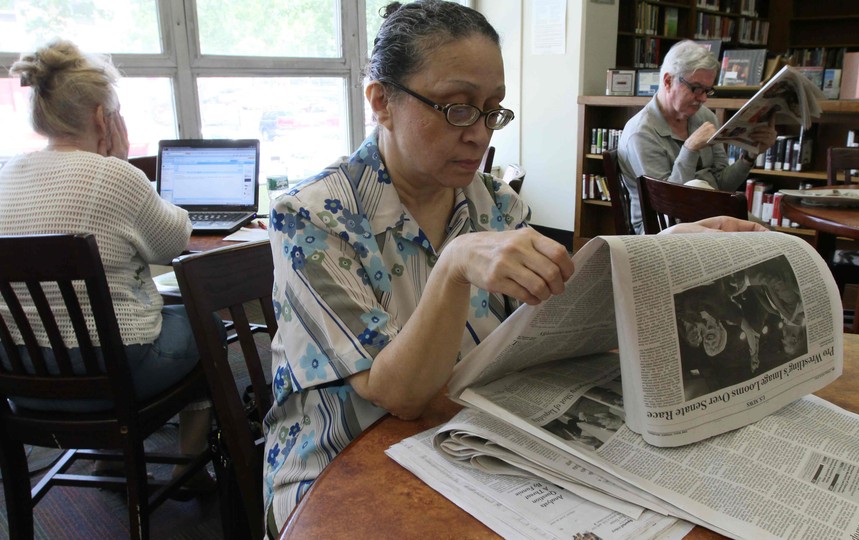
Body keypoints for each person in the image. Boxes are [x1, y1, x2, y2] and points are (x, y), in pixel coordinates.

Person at [262, 1, 767, 534]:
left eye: (492, 109)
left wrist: (664, 251)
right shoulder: (311, 216)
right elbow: (398, 396)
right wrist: (454, 265)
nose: (480, 135)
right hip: (339, 467)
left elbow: (557, 322)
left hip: (464, 435)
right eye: (457, 107)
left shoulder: (495, 205)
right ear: (381, 101)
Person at [0, 39, 215, 491]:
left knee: (123, 315)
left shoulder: (3, 176)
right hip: (112, 375)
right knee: (205, 322)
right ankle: (189, 464)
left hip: (17, 380)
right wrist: (117, 163)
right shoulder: (115, 176)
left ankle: (107, 456)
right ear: (103, 116)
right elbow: (173, 241)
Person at [617, 39, 779, 233]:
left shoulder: (704, 117)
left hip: (706, 211)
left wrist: (750, 155)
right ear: (668, 81)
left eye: (708, 90)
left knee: (766, 233)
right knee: (757, 236)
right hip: (660, 225)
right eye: (696, 88)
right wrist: (690, 149)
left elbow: (722, 185)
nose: (703, 98)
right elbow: (667, 203)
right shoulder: (641, 133)